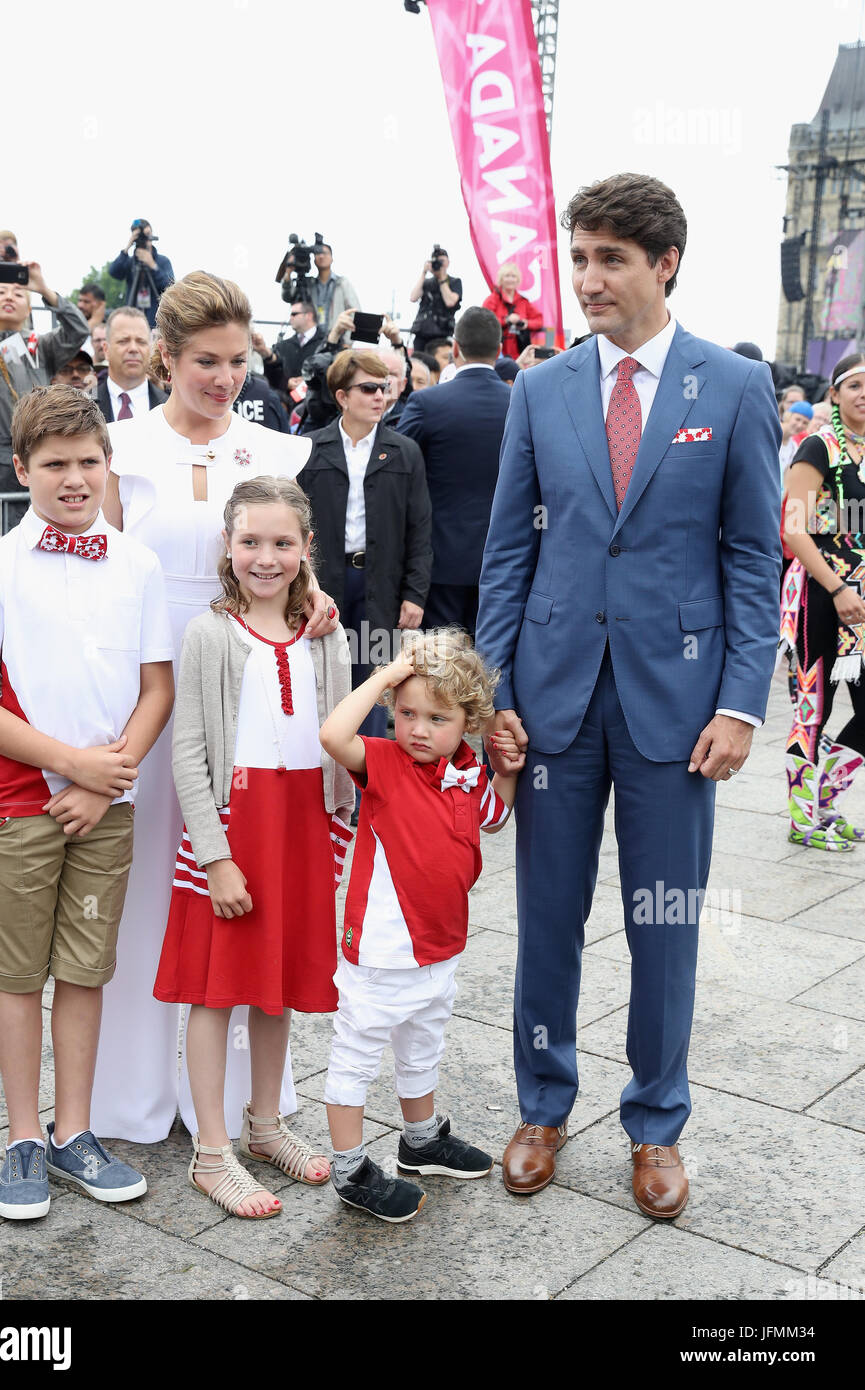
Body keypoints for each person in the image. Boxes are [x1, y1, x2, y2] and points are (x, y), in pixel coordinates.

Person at [475, 172, 781, 1218]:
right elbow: (508, 550)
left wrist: (742, 702)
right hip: (553, 702)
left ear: (665, 264)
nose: (590, 278)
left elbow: (751, 556)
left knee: (665, 925)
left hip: (677, 709)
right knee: (546, 920)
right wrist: (493, 691)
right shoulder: (542, 388)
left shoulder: (732, 389)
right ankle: (541, 1104)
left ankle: (656, 1122)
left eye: (611, 258)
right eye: (581, 258)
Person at [96, 270, 336, 1144]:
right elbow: (105, 576)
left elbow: (292, 560)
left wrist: (320, 601)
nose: (224, 378)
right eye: (206, 361)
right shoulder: (118, 446)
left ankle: (240, 1105)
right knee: (145, 890)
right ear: (165, 356)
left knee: (235, 880)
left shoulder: (274, 450)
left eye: (238, 361)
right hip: (148, 682)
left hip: (246, 692)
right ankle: (132, 1095)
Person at [0, 384, 175, 1217]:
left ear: (109, 467)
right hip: (20, 803)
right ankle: (20, 1136)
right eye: (55, 465)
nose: (74, 479)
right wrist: (68, 766)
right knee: (18, 973)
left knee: (85, 969)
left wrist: (103, 775)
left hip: (104, 804)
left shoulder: (138, 563)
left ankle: (74, 1130)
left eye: (88, 462)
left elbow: (157, 687)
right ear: (22, 470)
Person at [155, 476, 354, 1218]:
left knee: (277, 988)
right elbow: (187, 753)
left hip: (302, 823)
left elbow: (338, 732)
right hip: (238, 827)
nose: (264, 557)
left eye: (281, 543)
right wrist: (214, 854)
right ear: (227, 548)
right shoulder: (210, 634)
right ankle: (212, 1153)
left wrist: (347, 821)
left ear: (306, 549)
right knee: (216, 990)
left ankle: (265, 1125)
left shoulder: (325, 631)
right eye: (249, 542)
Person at [319, 627, 523, 1220]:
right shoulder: (382, 763)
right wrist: (388, 672)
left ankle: (421, 1139)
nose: (417, 729)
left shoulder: (467, 776)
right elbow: (333, 734)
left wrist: (506, 769)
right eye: (406, 713)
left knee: (423, 1044)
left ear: (469, 725)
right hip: (382, 951)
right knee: (356, 1053)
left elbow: (495, 815)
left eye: (437, 718)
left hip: (440, 947)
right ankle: (350, 1166)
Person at [298, 349, 432, 741]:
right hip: (322, 583)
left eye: (384, 388)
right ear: (342, 396)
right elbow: (294, 523)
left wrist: (415, 593)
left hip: (381, 584)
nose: (380, 397)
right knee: (320, 676)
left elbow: (420, 530)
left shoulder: (405, 451)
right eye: (369, 388)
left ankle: (365, 784)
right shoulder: (310, 449)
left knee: (374, 681)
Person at [780, 352, 865, 851]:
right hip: (820, 596)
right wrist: (836, 587)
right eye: (853, 385)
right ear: (834, 394)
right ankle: (802, 815)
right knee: (814, 707)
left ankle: (823, 796)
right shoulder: (820, 447)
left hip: (863, 602)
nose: (863, 394)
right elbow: (793, 529)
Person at [396, 307, 509, 636]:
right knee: (490, 665)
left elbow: (396, 466)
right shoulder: (521, 402)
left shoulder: (427, 403)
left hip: (439, 560)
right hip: (502, 562)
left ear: (455, 348)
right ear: (499, 352)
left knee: (442, 669)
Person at [0, 259, 90, 529]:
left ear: (28, 308)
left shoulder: (40, 346)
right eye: (1, 292)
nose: (9, 297)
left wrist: (43, 289)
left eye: (18, 294)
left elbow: (78, 331)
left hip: (40, 453)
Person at [95, 307, 167, 423]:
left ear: (150, 349)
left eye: (141, 341)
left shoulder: (168, 405)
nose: (133, 349)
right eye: (123, 341)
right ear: (106, 349)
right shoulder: (84, 406)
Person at [108, 220, 174, 329]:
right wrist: (127, 247)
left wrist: (153, 266)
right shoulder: (130, 262)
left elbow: (170, 287)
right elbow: (114, 272)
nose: (145, 239)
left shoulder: (163, 261)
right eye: (140, 235)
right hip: (133, 321)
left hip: (156, 321)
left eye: (148, 234)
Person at [253, 301, 326, 396]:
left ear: (309, 315)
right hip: (287, 404)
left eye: (294, 314)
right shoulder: (282, 346)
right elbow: (271, 376)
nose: (290, 318)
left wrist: (309, 381)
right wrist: (286, 383)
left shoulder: (327, 343)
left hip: (319, 405)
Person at [482, 262, 544, 361]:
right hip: (497, 353)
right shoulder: (492, 300)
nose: (510, 279)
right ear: (501, 279)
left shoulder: (523, 302)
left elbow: (539, 320)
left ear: (517, 280)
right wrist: (506, 320)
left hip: (520, 353)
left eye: (513, 276)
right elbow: (484, 322)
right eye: (507, 276)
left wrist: (526, 323)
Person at [409, 249, 462, 351]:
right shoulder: (426, 282)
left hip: (442, 335)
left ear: (448, 263)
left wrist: (441, 278)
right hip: (422, 333)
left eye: (442, 261)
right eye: (437, 261)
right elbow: (413, 297)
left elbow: (450, 302)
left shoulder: (455, 282)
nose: (439, 264)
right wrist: (424, 273)